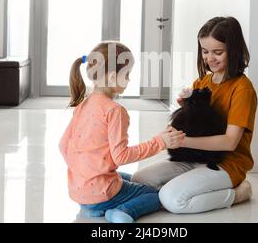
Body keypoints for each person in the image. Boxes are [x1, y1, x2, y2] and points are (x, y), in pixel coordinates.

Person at [131, 17, 258, 214]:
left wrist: (182, 141)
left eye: (218, 52)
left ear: (233, 51)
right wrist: (185, 109)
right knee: (139, 180)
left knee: (173, 200)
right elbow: (196, 119)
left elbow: (229, 142)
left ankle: (238, 194)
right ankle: (191, 185)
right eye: (205, 52)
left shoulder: (243, 89)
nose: (209, 58)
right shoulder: (202, 82)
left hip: (226, 163)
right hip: (193, 157)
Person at [59, 41, 185, 223]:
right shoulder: (114, 111)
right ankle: (120, 212)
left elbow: (63, 145)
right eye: (127, 74)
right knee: (157, 195)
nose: (129, 79)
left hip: (79, 193)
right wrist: (160, 142)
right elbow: (121, 157)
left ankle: (95, 208)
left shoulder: (84, 104)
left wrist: (85, 171)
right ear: (111, 77)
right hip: (101, 195)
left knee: (133, 179)